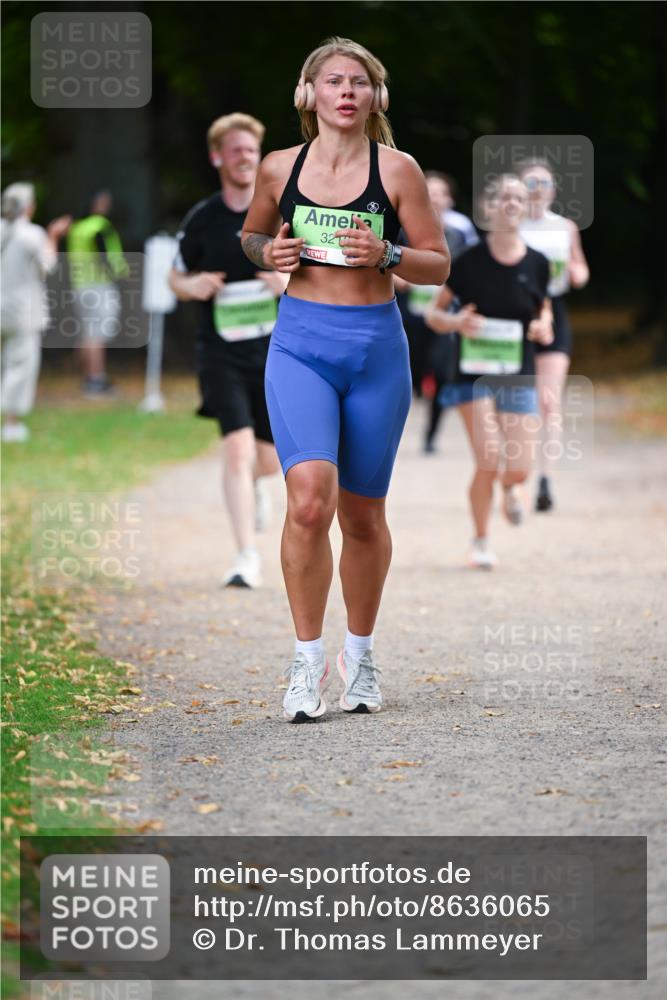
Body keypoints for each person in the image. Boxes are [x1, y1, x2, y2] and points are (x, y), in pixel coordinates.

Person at [241, 37, 449, 721]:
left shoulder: (398, 171)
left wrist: (389, 252)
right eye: (332, 81)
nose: (346, 92)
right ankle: (306, 663)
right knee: (308, 500)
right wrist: (266, 250)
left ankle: (357, 655)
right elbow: (251, 236)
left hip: (375, 351)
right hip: (300, 343)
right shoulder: (277, 168)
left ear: (375, 97)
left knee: (361, 515)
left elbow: (437, 264)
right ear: (308, 94)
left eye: (359, 82)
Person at [169, 113, 283, 589]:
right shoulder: (203, 218)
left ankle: (258, 485)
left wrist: (282, 280)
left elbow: (311, 273)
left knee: (270, 460)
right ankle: (245, 555)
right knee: (235, 449)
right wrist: (192, 284)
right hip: (221, 353)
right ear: (218, 157)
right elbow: (174, 277)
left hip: (276, 351)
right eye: (235, 150)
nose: (244, 158)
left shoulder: (279, 214)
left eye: (251, 151)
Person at [425, 174, 552, 569]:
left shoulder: (537, 262)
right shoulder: (468, 261)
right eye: (505, 198)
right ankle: (480, 541)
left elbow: (542, 310)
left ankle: (511, 490)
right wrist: (456, 321)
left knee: (518, 467)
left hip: (517, 373)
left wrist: (543, 326)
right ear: (491, 208)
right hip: (472, 375)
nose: (512, 204)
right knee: (489, 457)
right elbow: (433, 314)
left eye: (519, 198)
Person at [517, 158, 590, 511]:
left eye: (543, 184)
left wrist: (578, 274)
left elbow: (580, 265)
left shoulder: (565, 227)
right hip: (516, 316)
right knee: (516, 403)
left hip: (555, 313)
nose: (537, 191)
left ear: (553, 190)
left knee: (549, 402)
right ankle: (515, 477)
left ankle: (546, 479)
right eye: (530, 184)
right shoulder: (510, 227)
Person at [1, 183, 70, 442]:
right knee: (19, 364)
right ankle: (11, 423)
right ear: (29, 207)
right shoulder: (31, 234)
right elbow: (49, 266)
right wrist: (53, 236)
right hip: (22, 312)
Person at [395, 171, 466, 405]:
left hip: (445, 312)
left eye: (440, 193)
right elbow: (381, 264)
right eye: (429, 192)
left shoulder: (459, 236)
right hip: (409, 312)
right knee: (412, 366)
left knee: (442, 369)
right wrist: (402, 276)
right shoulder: (401, 231)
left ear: (450, 199)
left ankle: (430, 437)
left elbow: (470, 274)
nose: (435, 198)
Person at [66, 190, 129, 397]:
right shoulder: (100, 226)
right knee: (97, 334)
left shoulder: (77, 228)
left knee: (87, 332)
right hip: (99, 285)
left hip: (80, 286)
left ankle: (88, 376)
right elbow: (106, 256)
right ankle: (97, 379)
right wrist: (119, 274)